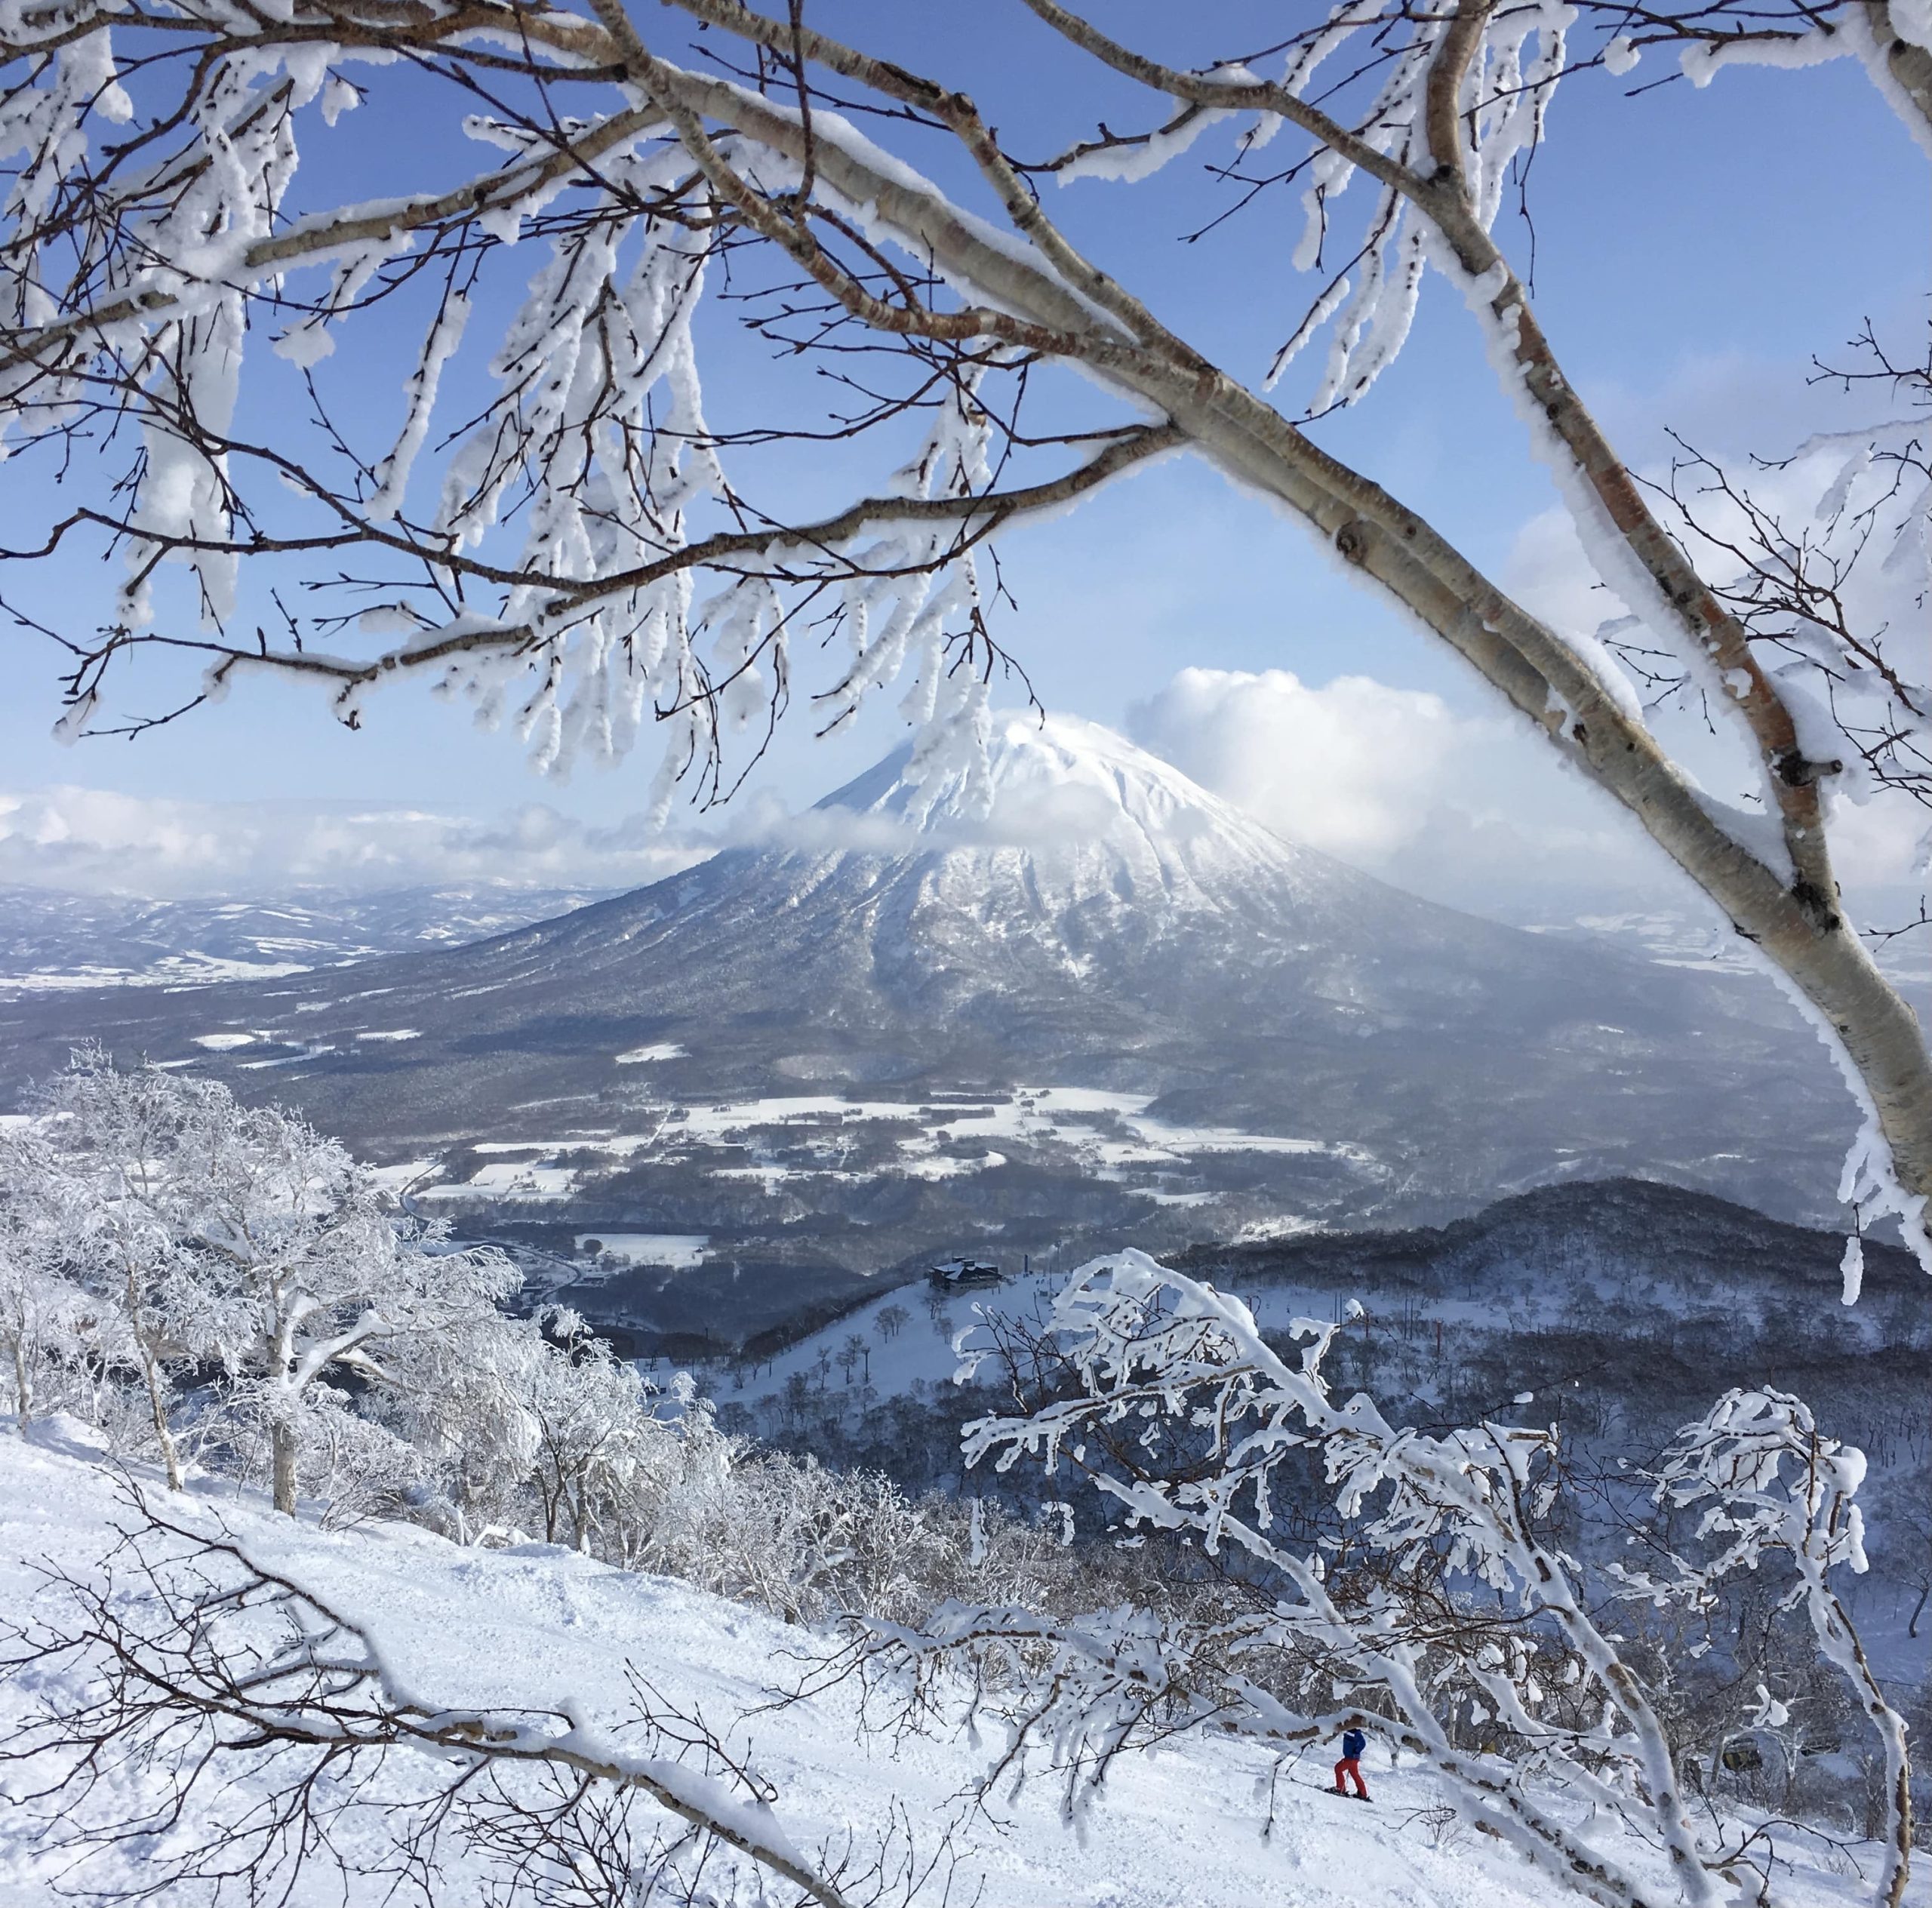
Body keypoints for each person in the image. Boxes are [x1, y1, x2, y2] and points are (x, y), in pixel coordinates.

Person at [1333, 1726, 1370, 1799]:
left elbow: (1363, 1743)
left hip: (1351, 1758)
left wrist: (1356, 1751)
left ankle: (1340, 1789)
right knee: (1355, 1774)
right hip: (1350, 1757)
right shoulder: (1348, 1731)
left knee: (1338, 1768)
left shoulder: (1356, 1733)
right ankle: (1362, 1793)